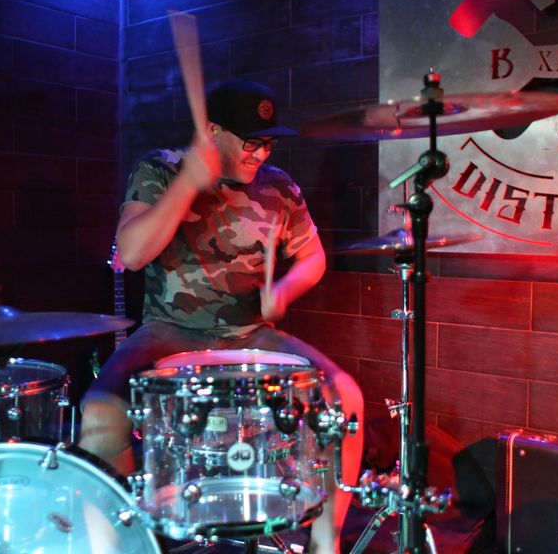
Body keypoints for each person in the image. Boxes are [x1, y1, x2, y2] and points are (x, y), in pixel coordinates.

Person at [78, 79, 364, 554]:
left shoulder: (280, 187)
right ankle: (123, 545)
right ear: (213, 131)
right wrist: (189, 182)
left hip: (250, 334)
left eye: (269, 142)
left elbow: (313, 257)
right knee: (100, 413)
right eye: (251, 141)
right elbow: (132, 252)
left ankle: (323, 545)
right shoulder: (160, 170)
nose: (261, 153)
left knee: (346, 400)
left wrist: (285, 289)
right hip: (169, 331)